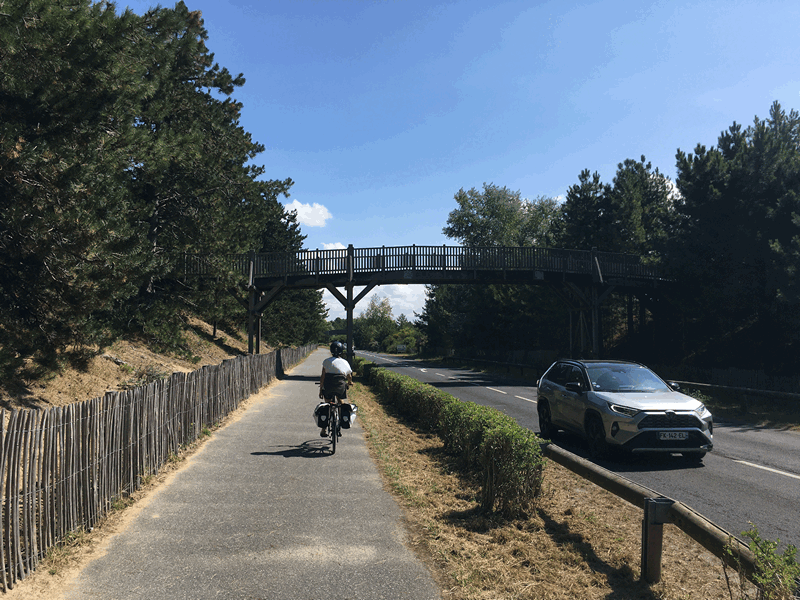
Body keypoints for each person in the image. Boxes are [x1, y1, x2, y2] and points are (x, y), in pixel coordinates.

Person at [317, 341, 353, 437]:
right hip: (340, 387)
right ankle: (341, 422)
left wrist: (321, 390)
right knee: (341, 402)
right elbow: (349, 376)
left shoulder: (326, 361)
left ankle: (324, 429)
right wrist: (350, 382)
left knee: (327, 404)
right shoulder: (345, 362)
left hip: (328, 386)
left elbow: (323, 377)